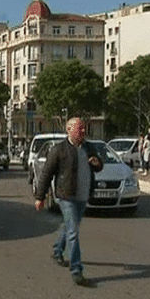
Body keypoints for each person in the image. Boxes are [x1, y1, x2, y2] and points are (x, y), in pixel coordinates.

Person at [34, 117, 103, 287]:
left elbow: (99, 166)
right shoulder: (59, 149)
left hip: (83, 195)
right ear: (69, 130)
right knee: (73, 231)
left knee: (69, 226)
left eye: (84, 128)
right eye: (79, 128)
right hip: (66, 196)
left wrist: (97, 163)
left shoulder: (88, 147)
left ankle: (58, 251)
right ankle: (76, 270)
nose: (83, 131)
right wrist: (40, 197)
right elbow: (46, 174)